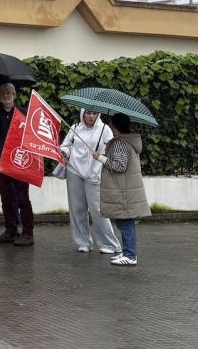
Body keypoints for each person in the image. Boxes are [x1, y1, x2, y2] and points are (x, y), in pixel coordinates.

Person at [0, 83, 35, 246]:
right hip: (1, 163)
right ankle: (10, 231)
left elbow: (32, 134)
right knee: (6, 199)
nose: (7, 95)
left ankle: (27, 233)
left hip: (20, 162)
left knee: (23, 198)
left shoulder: (24, 113)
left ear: (15, 95)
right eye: (3, 93)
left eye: (10, 92)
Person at [60, 109, 121, 255]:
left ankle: (110, 244)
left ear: (98, 115)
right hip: (74, 171)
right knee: (77, 209)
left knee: (97, 210)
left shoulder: (105, 129)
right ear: (83, 114)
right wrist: (64, 152)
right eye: (88, 113)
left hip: (95, 173)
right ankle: (83, 242)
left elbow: (110, 151)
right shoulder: (75, 128)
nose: (91, 116)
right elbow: (65, 146)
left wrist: (99, 156)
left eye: (94, 113)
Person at [96, 113, 150, 266]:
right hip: (125, 189)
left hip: (123, 191)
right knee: (124, 222)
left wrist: (101, 157)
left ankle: (130, 255)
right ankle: (127, 252)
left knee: (126, 223)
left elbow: (119, 166)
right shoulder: (127, 142)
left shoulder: (120, 143)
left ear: (115, 126)